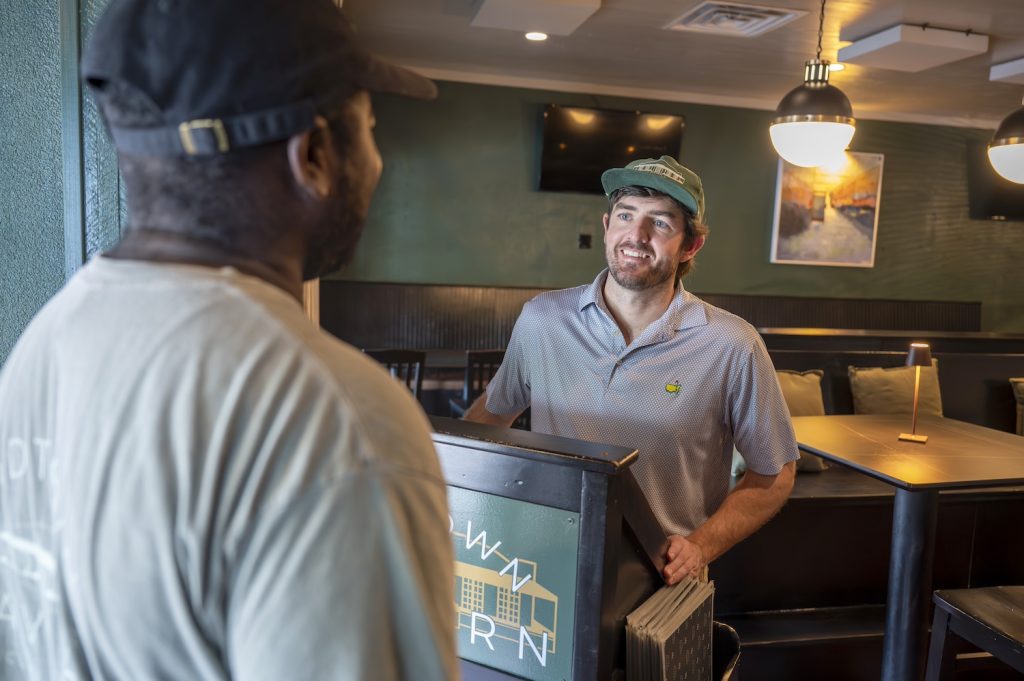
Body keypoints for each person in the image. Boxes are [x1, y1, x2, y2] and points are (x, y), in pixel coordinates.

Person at [0, 1, 457, 680]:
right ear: (315, 155)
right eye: (370, 128)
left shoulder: (44, 345)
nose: (379, 161)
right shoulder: (333, 418)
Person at [465, 155, 799, 585]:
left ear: (690, 246)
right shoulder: (541, 319)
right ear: (607, 227)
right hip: (543, 565)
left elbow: (775, 475)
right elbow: (490, 418)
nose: (636, 236)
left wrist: (700, 546)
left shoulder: (732, 344)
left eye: (660, 223)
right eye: (626, 216)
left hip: (660, 581)